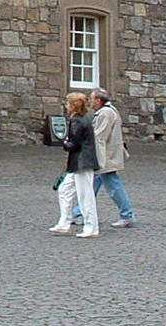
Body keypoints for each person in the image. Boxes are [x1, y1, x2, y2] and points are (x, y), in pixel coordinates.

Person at [49, 91, 100, 238]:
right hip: (78, 163)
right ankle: (64, 223)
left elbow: (74, 143)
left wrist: (65, 143)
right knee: (64, 190)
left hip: (81, 162)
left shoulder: (78, 121)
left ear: (73, 106)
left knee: (85, 196)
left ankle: (91, 227)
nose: (66, 106)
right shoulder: (82, 119)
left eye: (68, 104)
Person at [89, 88, 135, 228]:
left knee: (113, 185)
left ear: (98, 100)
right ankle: (78, 212)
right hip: (106, 155)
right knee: (91, 184)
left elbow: (99, 136)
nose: (90, 101)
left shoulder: (105, 113)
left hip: (106, 156)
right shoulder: (108, 111)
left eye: (91, 98)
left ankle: (127, 215)